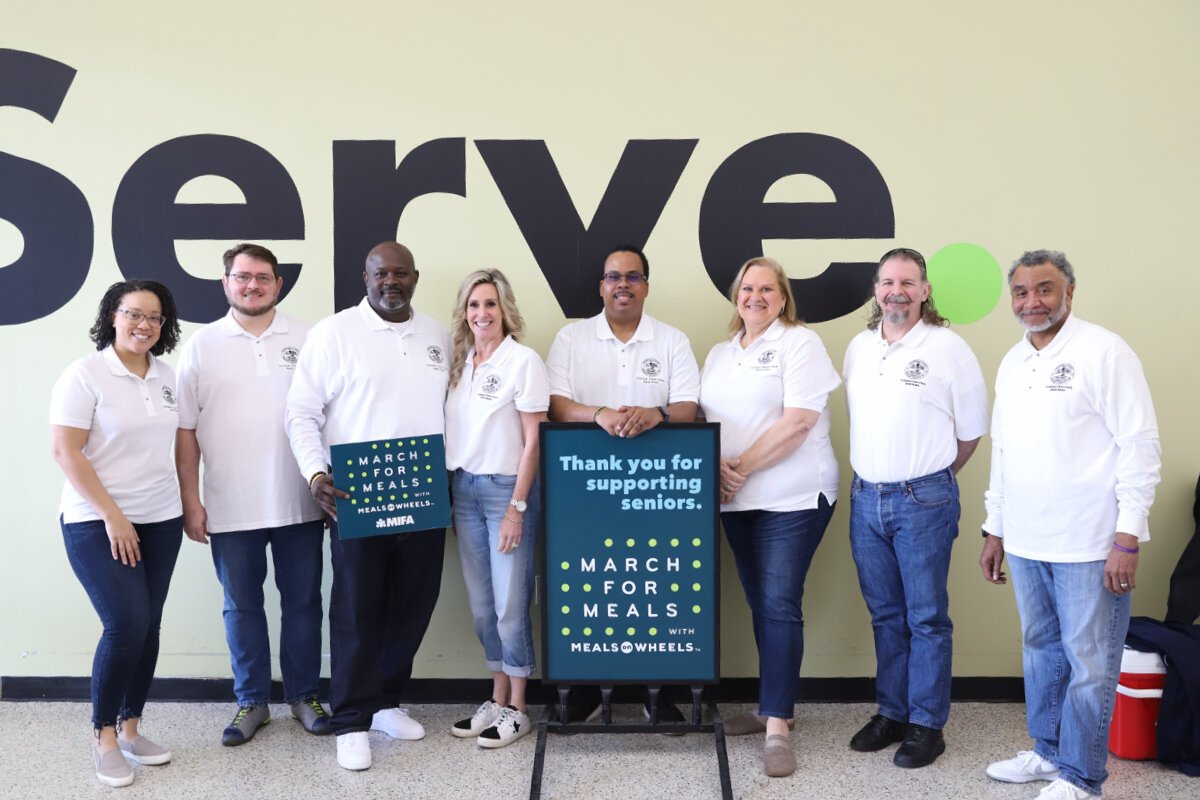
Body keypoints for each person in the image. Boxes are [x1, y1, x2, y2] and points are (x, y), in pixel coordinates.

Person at [980, 250, 1161, 800]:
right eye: (1021, 292)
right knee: (1041, 650)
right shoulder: (1013, 361)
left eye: (1044, 289)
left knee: (1089, 662)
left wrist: (1127, 536)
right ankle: (1049, 752)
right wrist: (995, 527)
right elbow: (1003, 450)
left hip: (1090, 540)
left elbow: (1140, 446)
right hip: (1027, 537)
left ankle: (1082, 776)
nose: (1031, 301)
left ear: (1069, 292)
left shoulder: (1105, 352)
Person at [285, 241, 450, 771]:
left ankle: (385, 702)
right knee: (357, 609)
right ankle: (352, 719)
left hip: (423, 494)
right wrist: (315, 473)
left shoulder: (437, 335)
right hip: (357, 496)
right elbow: (300, 412)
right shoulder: (334, 333)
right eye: (381, 273)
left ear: (415, 277)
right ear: (366, 276)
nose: (390, 282)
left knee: (413, 604)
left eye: (400, 273)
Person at [175, 243, 329, 746]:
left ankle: (304, 696)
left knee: (303, 604)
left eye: (263, 277)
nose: (252, 285)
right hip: (230, 504)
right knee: (241, 606)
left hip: (299, 500)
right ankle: (251, 701)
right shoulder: (201, 345)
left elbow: (329, 414)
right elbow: (186, 430)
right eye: (242, 277)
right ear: (226, 283)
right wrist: (191, 500)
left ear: (278, 284)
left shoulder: (310, 337)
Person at [843, 248, 988, 768]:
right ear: (876, 291)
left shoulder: (948, 348)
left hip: (923, 499)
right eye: (887, 282)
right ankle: (893, 712)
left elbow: (970, 433)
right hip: (866, 499)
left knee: (926, 617)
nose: (896, 291)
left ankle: (927, 724)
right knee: (885, 614)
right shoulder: (860, 347)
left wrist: (930, 480)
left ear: (925, 291)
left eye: (907, 282)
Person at [546, 243, 700, 724]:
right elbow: (556, 405)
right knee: (590, 585)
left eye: (633, 277)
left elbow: (688, 407)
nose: (623, 285)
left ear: (646, 286)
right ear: (601, 286)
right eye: (614, 277)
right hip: (583, 486)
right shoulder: (571, 338)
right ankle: (587, 691)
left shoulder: (672, 340)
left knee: (657, 587)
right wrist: (600, 414)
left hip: (655, 487)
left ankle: (659, 694)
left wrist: (656, 414)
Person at [699, 256, 840, 778]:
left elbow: (798, 423)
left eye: (766, 289)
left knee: (779, 603)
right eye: (747, 288)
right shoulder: (720, 353)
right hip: (736, 500)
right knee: (761, 602)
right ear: (735, 295)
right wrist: (718, 470)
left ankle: (778, 725)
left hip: (793, 498)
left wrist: (737, 470)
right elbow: (706, 418)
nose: (755, 297)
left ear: (783, 299)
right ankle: (770, 706)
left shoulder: (800, 343)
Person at [49, 280, 184, 788]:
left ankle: (130, 728)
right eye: (133, 314)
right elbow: (65, 451)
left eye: (154, 317)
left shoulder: (168, 377)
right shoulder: (85, 374)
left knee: (149, 625)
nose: (143, 325)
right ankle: (103, 735)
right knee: (126, 624)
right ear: (112, 316)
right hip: (96, 519)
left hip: (161, 517)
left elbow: (175, 446)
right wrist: (113, 515)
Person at [444, 269, 548, 748]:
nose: (481, 313)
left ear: (505, 310)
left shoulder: (522, 361)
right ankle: (496, 696)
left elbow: (533, 442)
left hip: (506, 491)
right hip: (463, 490)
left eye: (490, 304)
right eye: (473, 305)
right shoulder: (460, 363)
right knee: (483, 607)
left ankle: (519, 708)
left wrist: (516, 508)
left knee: (510, 605)